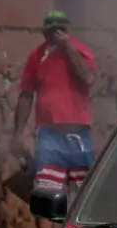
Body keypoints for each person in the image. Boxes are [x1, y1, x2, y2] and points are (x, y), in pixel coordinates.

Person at [13, 10, 99, 200]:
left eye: (60, 30)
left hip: (79, 136)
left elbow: (88, 78)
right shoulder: (37, 56)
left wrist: (68, 47)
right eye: (52, 31)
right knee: (47, 194)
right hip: (49, 136)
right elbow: (26, 95)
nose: (56, 35)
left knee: (84, 195)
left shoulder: (81, 51)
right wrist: (18, 134)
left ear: (68, 31)